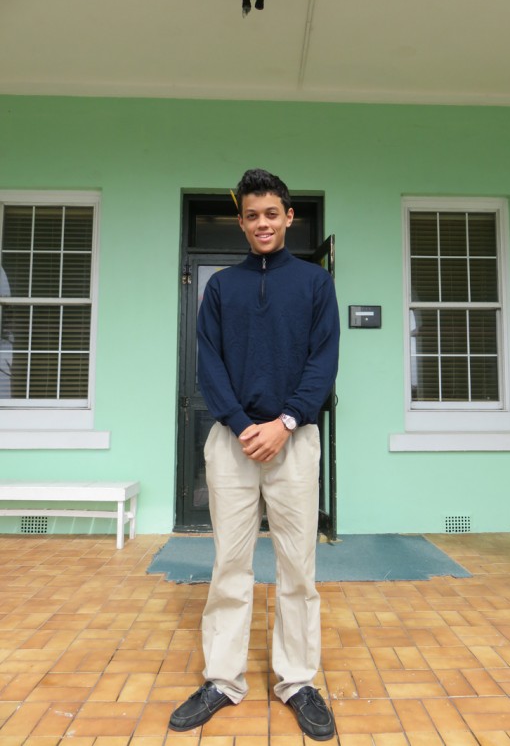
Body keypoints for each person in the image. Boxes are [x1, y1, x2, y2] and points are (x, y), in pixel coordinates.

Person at [169, 169, 340, 741]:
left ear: (288, 217)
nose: (262, 223)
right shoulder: (221, 287)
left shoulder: (315, 283)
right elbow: (208, 363)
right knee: (229, 564)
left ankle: (298, 681)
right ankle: (222, 679)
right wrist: (245, 426)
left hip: (295, 439)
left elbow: (323, 361)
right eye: (251, 215)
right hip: (233, 441)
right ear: (240, 222)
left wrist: (286, 422)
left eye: (271, 214)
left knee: (298, 567)